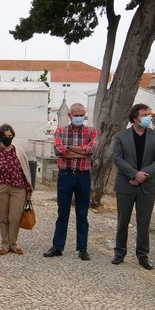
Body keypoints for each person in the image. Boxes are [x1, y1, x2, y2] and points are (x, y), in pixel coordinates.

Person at [112, 104, 155, 269]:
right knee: (123, 220)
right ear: (135, 118)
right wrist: (134, 174)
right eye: (144, 115)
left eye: (148, 114)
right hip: (126, 184)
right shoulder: (121, 136)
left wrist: (143, 175)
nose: (148, 117)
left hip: (147, 185)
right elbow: (118, 159)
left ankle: (142, 255)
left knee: (144, 222)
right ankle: (119, 252)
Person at [45, 103, 97, 260]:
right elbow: (59, 151)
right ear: (69, 115)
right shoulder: (61, 131)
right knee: (62, 212)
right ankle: (57, 246)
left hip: (83, 176)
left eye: (81, 115)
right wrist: (82, 151)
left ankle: (82, 248)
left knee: (82, 214)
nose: (79, 117)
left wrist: (70, 149)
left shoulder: (91, 131)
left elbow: (92, 150)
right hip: (65, 176)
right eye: (76, 115)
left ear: (85, 114)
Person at [0, 124, 32, 255]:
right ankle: (5, 244)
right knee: (3, 218)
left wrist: (28, 190)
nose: (8, 138)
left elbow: (26, 171)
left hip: (18, 188)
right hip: (0, 188)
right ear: (0, 137)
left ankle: (13, 244)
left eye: (10, 136)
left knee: (15, 218)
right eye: (5, 136)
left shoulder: (19, 151)